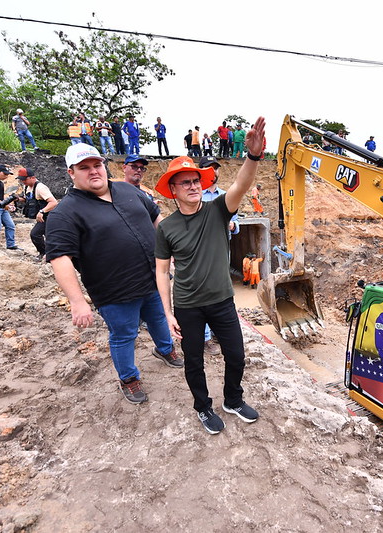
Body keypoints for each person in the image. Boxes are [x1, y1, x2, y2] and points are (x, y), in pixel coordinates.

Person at [154, 116, 265, 435]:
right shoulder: (167, 228)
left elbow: (241, 185)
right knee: (194, 362)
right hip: (188, 305)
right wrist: (166, 311)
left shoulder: (217, 210)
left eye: (195, 181)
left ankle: (232, 399)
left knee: (236, 355)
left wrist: (254, 156)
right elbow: (162, 271)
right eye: (185, 182)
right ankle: (203, 407)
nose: (192, 186)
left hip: (222, 302)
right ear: (173, 189)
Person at [46, 143, 181, 405]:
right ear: (71, 172)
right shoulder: (65, 212)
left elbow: (156, 218)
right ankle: (129, 378)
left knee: (158, 319)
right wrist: (77, 301)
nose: (93, 171)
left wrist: (172, 248)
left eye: (97, 165)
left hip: (152, 279)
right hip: (114, 291)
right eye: (84, 167)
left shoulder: (127, 190)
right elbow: (60, 258)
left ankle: (165, 350)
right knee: (124, 335)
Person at [199, 155, 240, 356]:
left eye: (216, 168)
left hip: (222, 253)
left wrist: (232, 225)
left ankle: (218, 331)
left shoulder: (227, 196)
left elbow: (237, 225)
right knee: (204, 294)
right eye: (208, 168)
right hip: (201, 254)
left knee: (221, 293)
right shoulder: (195, 195)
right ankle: (205, 338)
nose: (213, 171)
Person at [17, 167, 57, 261]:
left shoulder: (40, 187)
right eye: (21, 179)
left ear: (32, 177)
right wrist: (18, 199)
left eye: (24, 179)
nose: (23, 182)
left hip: (49, 216)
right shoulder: (27, 187)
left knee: (35, 234)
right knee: (47, 236)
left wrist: (42, 211)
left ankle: (45, 254)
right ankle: (47, 254)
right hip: (43, 216)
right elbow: (29, 200)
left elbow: (53, 202)